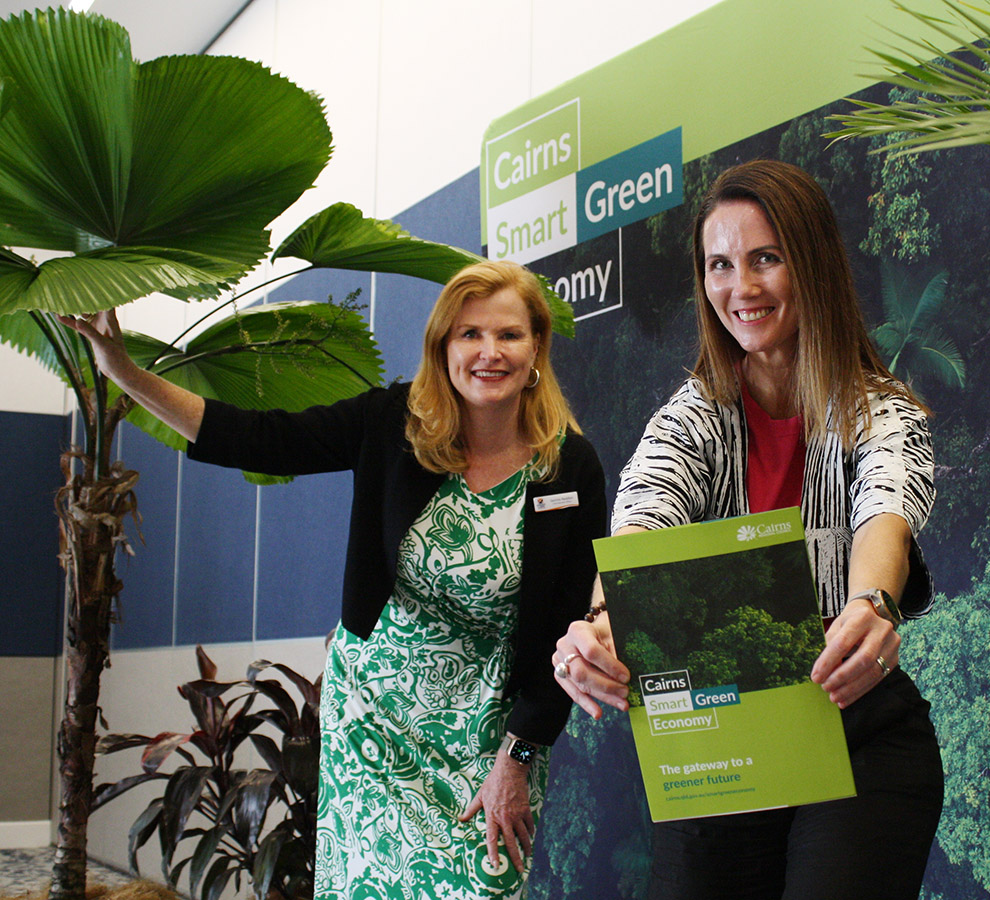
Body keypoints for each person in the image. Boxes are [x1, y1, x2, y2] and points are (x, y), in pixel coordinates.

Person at [61, 260, 606, 900]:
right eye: (469, 335)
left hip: (491, 734)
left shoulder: (569, 465)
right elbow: (258, 439)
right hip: (376, 719)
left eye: (509, 335)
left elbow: (565, 624)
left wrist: (518, 756)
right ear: (443, 348)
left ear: (537, 347)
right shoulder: (391, 424)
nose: (489, 353)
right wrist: (125, 373)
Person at [551, 160, 944, 899]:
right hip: (724, 743)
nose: (743, 287)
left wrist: (873, 605)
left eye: (767, 258)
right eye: (720, 265)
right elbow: (643, 517)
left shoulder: (882, 409)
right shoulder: (689, 419)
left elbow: (885, 509)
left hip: (860, 732)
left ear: (814, 262)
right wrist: (604, 620)